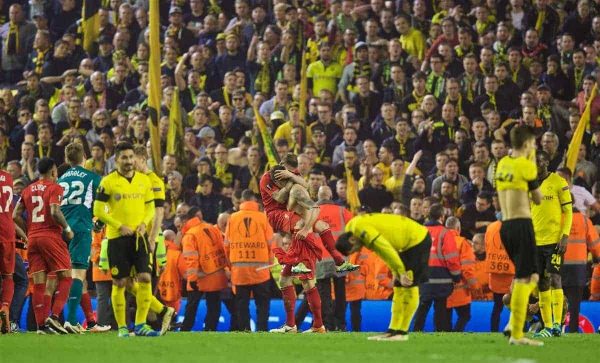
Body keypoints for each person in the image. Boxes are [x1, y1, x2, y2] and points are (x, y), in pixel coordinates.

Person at [93, 142, 159, 337]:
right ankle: (122, 327)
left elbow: (150, 207)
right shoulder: (108, 182)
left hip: (140, 238)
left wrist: (144, 223)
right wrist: (118, 225)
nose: (129, 161)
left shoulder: (144, 180)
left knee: (146, 278)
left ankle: (140, 325)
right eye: (124, 157)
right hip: (117, 238)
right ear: (116, 159)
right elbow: (97, 211)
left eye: (131, 157)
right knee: (120, 282)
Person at [336, 213, 431, 341]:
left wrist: (401, 272)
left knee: (409, 285)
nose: (357, 251)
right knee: (398, 287)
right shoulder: (352, 229)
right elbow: (384, 253)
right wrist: (396, 271)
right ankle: (392, 330)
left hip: (417, 240)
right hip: (405, 244)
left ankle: (402, 332)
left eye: (354, 250)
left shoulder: (362, 231)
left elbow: (386, 249)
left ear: (352, 240)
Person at [495, 125, 543, 346]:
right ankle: (515, 332)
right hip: (523, 224)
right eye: (532, 143)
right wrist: (531, 160)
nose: (534, 146)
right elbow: (538, 198)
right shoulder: (526, 166)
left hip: (505, 226)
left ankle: (512, 325)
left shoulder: (502, 163)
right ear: (526, 144)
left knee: (527, 276)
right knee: (529, 277)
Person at [13, 157, 73, 334]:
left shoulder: (27, 189)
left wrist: (28, 232)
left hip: (33, 239)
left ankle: (41, 326)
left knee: (39, 283)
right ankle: (54, 317)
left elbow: (16, 215)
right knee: (66, 276)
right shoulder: (55, 187)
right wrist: (67, 228)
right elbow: (55, 211)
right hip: (50, 236)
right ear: (54, 171)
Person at [57, 142, 106, 333]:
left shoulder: (60, 179)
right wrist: (100, 223)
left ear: (67, 159)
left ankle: (91, 322)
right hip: (81, 228)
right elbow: (105, 203)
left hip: (62, 229)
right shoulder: (92, 177)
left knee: (79, 279)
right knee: (78, 275)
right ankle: (70, 321)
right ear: (84, 157)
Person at [531, 151, 572, 338]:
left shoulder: (558, 182)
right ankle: (547, 326)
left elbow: (569, 212)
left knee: (555, 278)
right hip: (535, 242)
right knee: (542, 282)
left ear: (546, 162)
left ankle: (557, 323)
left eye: (538, 161)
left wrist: (565, 236)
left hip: (554, 240)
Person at [224, 189, 274, 332]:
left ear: (242, 201)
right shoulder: (263, 218)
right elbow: (271, 244)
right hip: (261, 271)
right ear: (255, 201)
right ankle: (262, 330)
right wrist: (269, 264)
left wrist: (231, 265)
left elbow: (226, 245)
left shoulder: (232, 218)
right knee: (262, 304)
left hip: (239, 271)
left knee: (241, 305)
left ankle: (245, 331)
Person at [413, 204, 461, 333]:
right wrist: (456, 276)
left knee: (422, 307)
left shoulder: (419, 231)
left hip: (423, 277)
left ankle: (415, 332)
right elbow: (451, 257)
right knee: (440, 309)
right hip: (442, 278)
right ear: (442, 216)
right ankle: (439, 334)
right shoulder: (445, 233)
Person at [181, 207, 228, 332]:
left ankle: (185, 330)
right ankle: (210, 330)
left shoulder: (190, 235)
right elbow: (223, 249)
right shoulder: (212, 228)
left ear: (186, 221)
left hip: (200, 277)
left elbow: (191, 260)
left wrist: (192, 279)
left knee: (192, 306)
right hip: (217, 273)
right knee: (214, 306)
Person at [561, 205, 600, 333]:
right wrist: (596, 258)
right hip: (578, 268)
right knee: (575, 303)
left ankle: (555, 329)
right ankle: (572, 330)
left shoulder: (557, 218)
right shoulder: (584, 220)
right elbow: (595, 244)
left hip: (558, 267)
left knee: (558, 300)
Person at [0, 168, 27, 334]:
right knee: (9, 276)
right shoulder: (8, 177)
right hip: (7, 232)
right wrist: (23, 234)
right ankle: (5, 308)